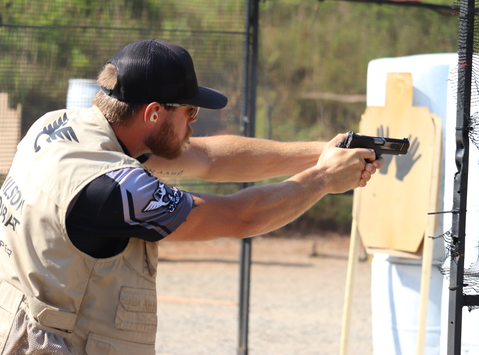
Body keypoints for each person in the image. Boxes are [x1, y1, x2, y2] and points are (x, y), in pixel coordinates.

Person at [0, 39, 383, 354]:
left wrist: (324, 151)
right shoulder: (114, 187)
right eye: (189, 110)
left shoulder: (57, 125)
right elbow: (239, 217)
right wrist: (323, 179)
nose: (194, 120)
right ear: (152, 113)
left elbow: (209, 158)